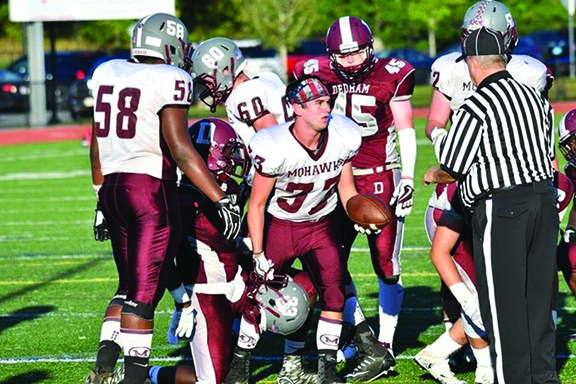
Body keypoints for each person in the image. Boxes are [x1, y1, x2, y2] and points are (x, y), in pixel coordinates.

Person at [87, 14, 241, 384]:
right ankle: (134, 379)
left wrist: (98, 198)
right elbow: (181, 148)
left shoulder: (109, 71)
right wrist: (220, 198)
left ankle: (105, 364)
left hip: (111, 189)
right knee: (144, 292)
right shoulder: (171, 78)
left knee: (129, 285)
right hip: (150, 193)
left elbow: (95, 142)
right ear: (169, 45)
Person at [109, 118, 316, 384]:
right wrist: (181, 301)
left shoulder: (227, 188)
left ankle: (290, 368)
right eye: (229, 152)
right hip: (208, 294)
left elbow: (229, 240)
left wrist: (256, 256)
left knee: (305, 287)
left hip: (239, 280)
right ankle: (144, 374)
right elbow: (160, 257)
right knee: (212, 382)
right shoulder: (183, 197)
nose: (237, 159)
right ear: (210, 155)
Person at [422, 0, 553, 372]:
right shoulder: (534, 98)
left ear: (473, 63)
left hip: (502, 208)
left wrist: (435, 167)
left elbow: (454, 164)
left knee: (502, 309)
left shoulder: (476, 105)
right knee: (537, 305)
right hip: (542, 202)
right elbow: (541, 150)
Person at [293, 16, 416, 378]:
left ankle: (388, 343)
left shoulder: (392, 74)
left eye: (356, 52)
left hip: (380, 175)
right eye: (342, 55)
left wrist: (406, 177)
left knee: (386, 263)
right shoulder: (313, 72)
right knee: (330, 263)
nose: (350, 61)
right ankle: (367, 340)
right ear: (330, 54)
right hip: (332, 178)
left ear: (370, 48)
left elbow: (405, 128)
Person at [246, 75, 365, 383]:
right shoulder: (274, 144)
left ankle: (322, 372)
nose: (326, 109)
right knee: (253, 298)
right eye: (317, 103)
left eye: (327, 102)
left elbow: (347, 191)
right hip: (280, 228)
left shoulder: (342, 135)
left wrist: (360, 216)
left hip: (321, 225)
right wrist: (258, 252)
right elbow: (257, 204)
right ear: (296, 108)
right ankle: (237, 367)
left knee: (333, 294)